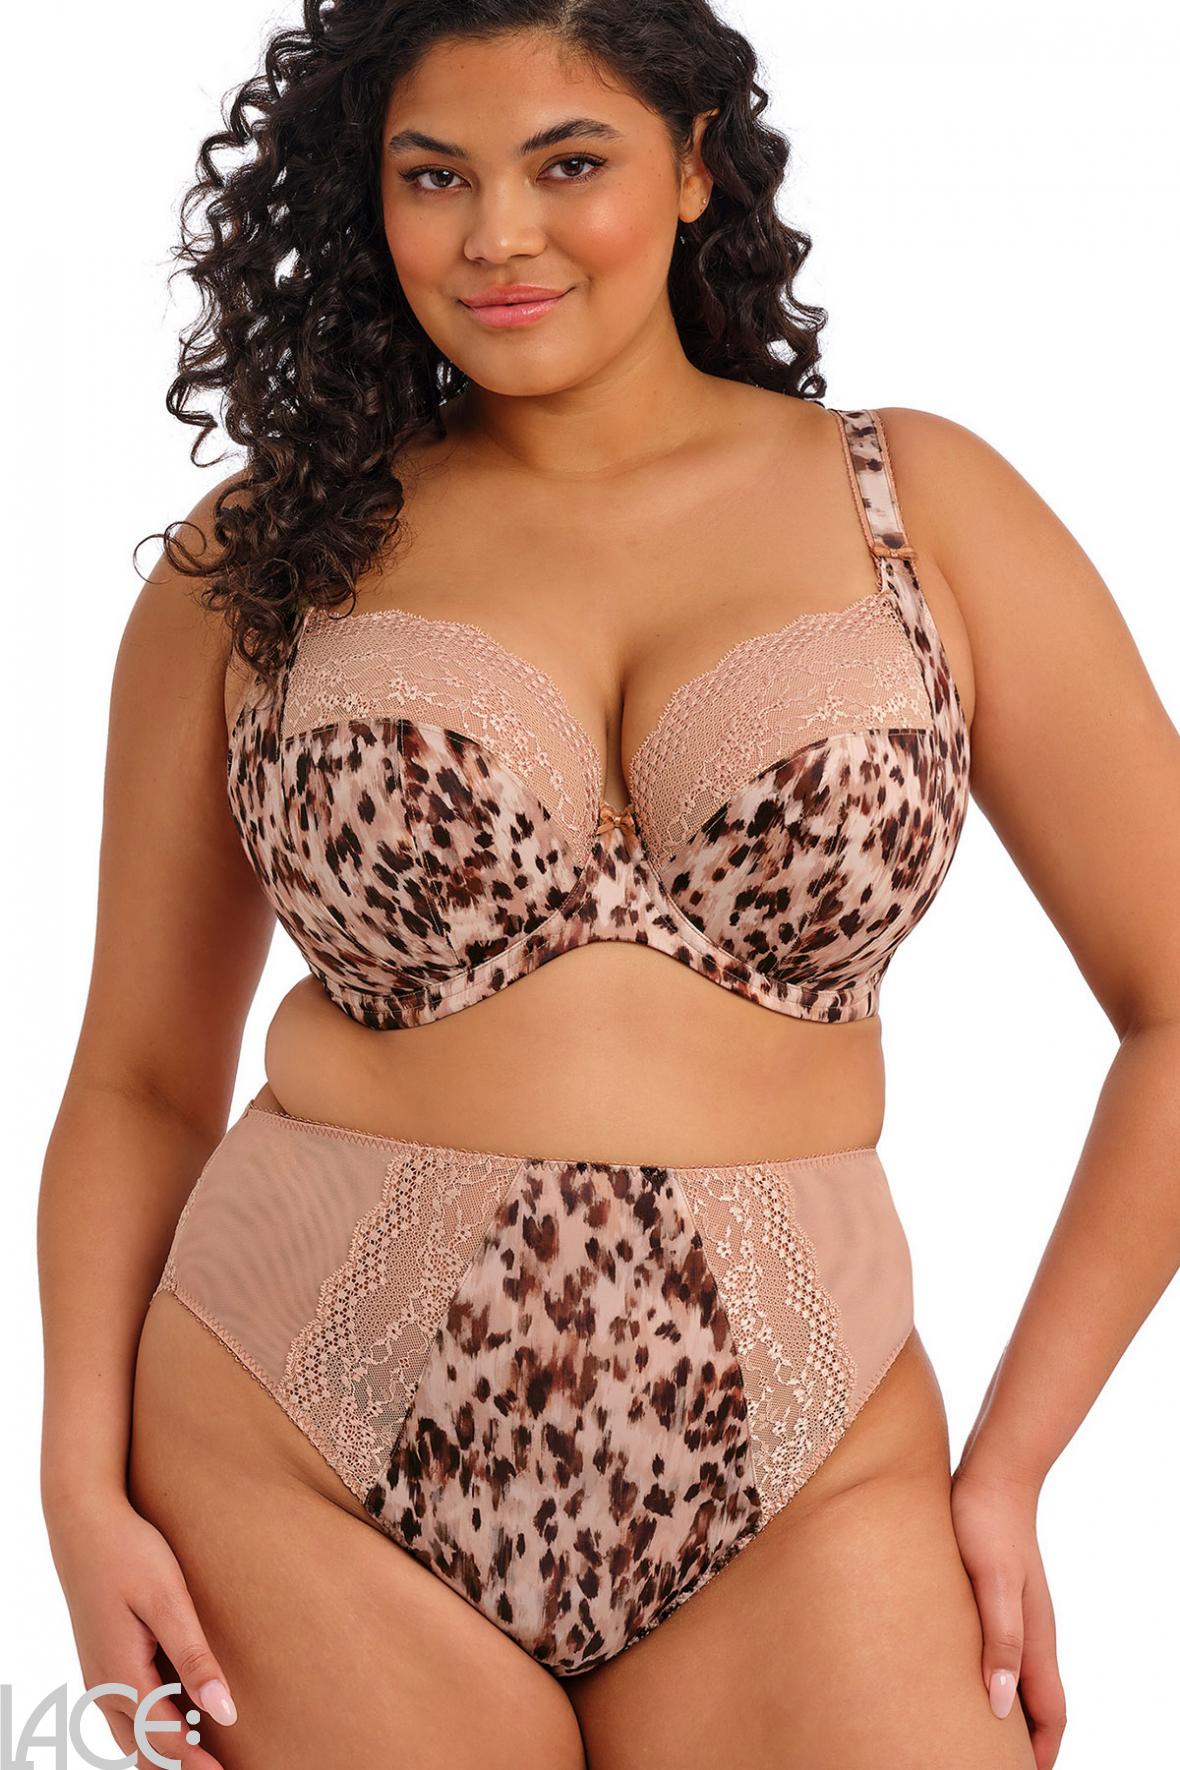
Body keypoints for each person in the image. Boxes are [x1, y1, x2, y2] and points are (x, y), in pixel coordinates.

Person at [36, 3, 1180, 1768]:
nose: (500, 235)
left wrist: (1013, 1464)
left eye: (568, 163)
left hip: (805, 1474)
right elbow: (136, 1076)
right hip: (287, 1440)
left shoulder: (918, 507)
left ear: (697, 163)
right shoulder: (259, 557)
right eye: (436, 177)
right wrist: (74, 1483)